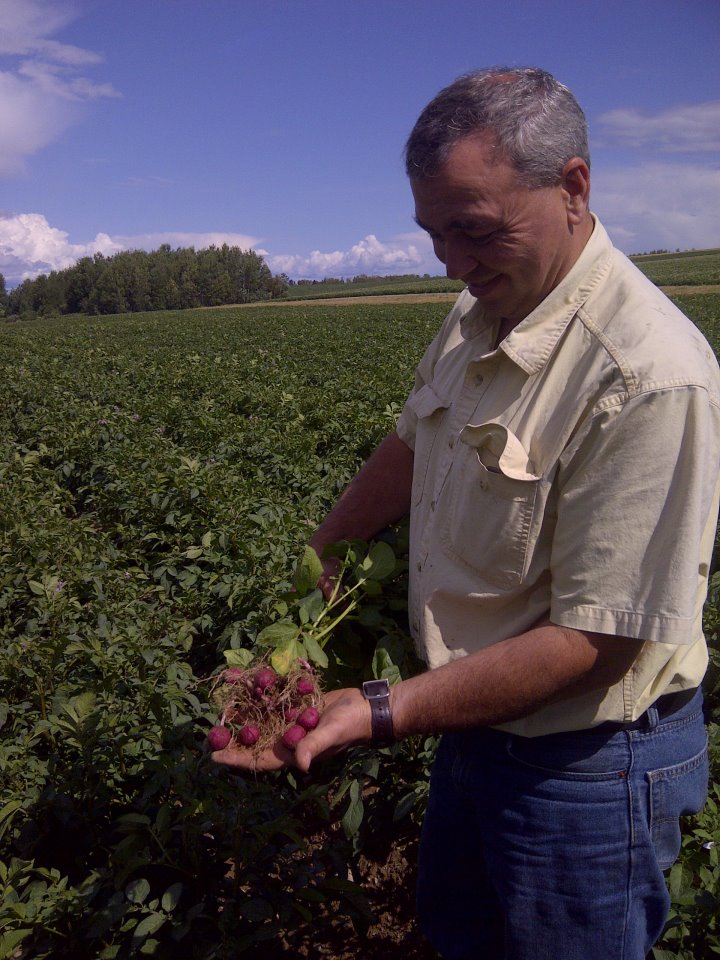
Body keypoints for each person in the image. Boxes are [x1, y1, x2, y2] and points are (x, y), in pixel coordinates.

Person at [213, 67, 720, 959]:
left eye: (474, 231)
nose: (450, 260)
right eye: (434, 232)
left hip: (587, 765)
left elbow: (597, 642)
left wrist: (374, 709)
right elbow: (410, 441)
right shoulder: (479, 305)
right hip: (473, 722)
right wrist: (321, 563)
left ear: (573, 187)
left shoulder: (648, 374)